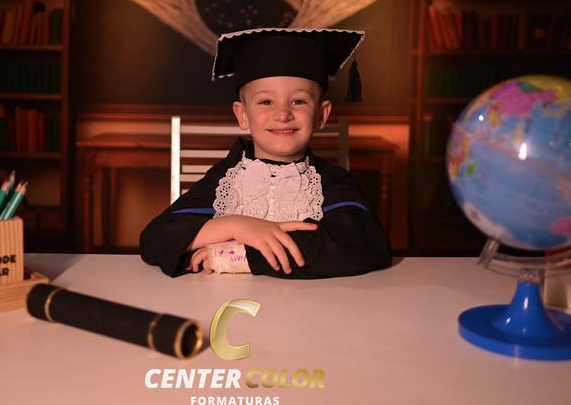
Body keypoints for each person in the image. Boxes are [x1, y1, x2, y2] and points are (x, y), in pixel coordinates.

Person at [140, 28, 391, 279]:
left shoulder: (333, 182)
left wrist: (239, 256)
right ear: (242, 115)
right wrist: (236, 226)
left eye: (298, 101)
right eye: (265, 102)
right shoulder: (226, 180)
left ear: (321, 115)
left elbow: (365, 246)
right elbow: (155, 240)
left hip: (309, 301)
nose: (282, 114)